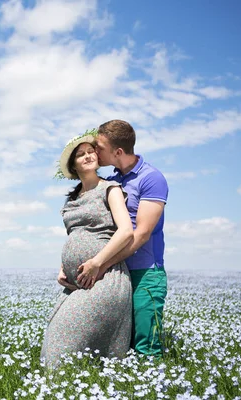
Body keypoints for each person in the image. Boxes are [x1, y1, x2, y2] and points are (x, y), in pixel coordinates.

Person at [41, 130, 134, 365]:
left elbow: (125, 231)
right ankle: (64, 387)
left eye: (91, 151)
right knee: (52, 337)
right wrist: (64, 267)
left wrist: (96, 263)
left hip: (105, 277)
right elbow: (75, 236)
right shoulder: (71, 200)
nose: (88, 156)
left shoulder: (110, 189)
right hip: (77, 281)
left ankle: (69, 386)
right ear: (73, 165)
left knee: (64, 334)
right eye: (81, 154)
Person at [83, 119, 169, 357]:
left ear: (118, 151)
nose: (95, 150)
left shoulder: (151, 178)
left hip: (145, 273)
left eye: (99, 147)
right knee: (120, 346)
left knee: (146, 347)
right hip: (116, 274)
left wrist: (101, 263)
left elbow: (141, 234)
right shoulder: (113, 180)